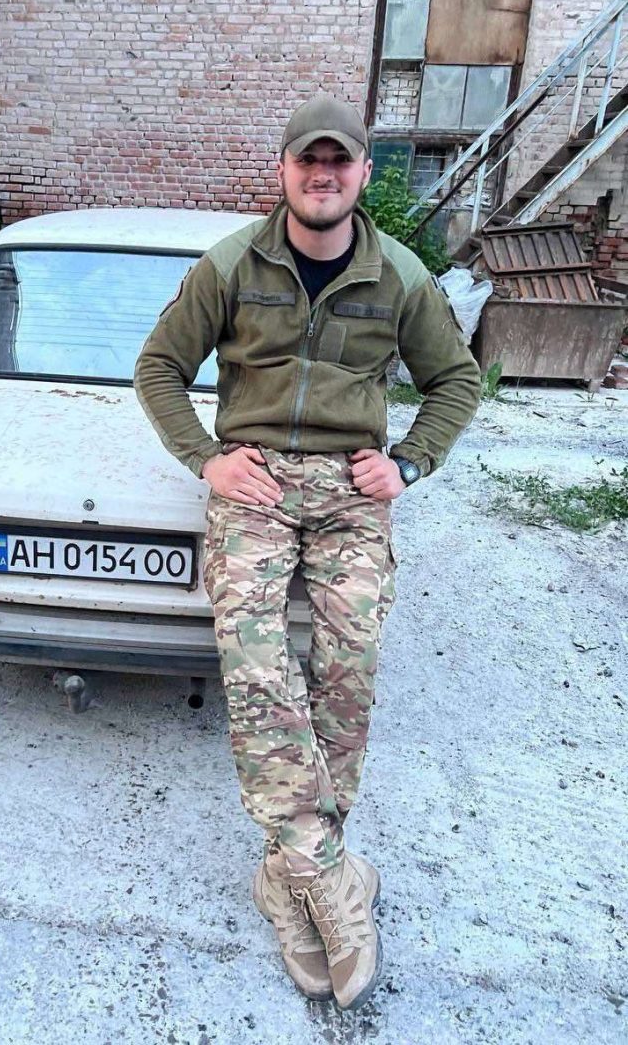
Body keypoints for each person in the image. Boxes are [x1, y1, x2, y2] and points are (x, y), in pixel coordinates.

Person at [134, 93, 481, 1008]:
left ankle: (284, 871)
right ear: (282, 170)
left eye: (338, 162)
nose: (321, 175)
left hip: (349, 491)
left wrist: (409, 461)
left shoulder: (398, 273)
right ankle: (324, 875)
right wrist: (206, 458)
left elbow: (455, 379)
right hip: (253, 483)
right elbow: (158, 366)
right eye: (306, 161)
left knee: (345, 669)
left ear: (363, 172)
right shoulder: (230, 264)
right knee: (255, 667)